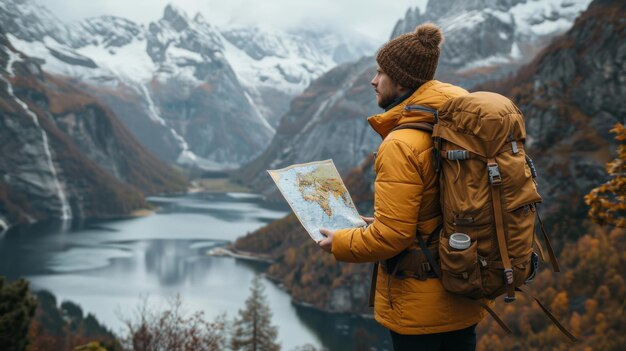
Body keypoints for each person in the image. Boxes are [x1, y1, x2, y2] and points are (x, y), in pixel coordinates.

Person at [317, 23, 487, 351]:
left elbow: (393, 238)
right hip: (464, 291)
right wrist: (376, 223)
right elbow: (434, 212)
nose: (373, 80)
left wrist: (340, 242)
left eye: (381, 72)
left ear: (402, 80)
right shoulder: (455, 129)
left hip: (420, 307)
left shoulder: (402, 143)